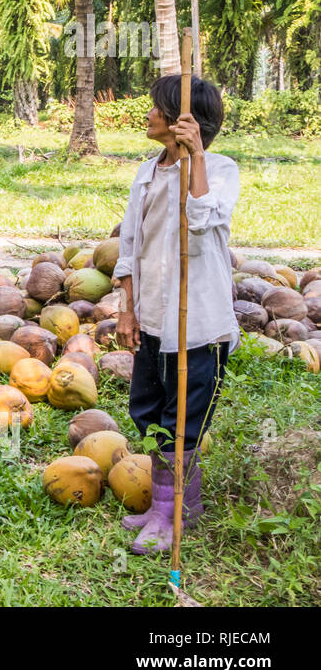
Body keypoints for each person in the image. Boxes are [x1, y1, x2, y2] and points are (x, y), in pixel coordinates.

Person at [114, 74, 239, 556]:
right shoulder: (146, 173)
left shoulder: (222, 169)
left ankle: (175, 512)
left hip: (198, 327)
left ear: (181, 121)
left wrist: (197, 157)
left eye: (154, 109)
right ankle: (168, 503)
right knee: (148, 412)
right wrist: (127, 308)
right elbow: (129, 245)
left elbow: (204, 221)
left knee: (184, 420)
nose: (146, 115)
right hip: (154, 319)